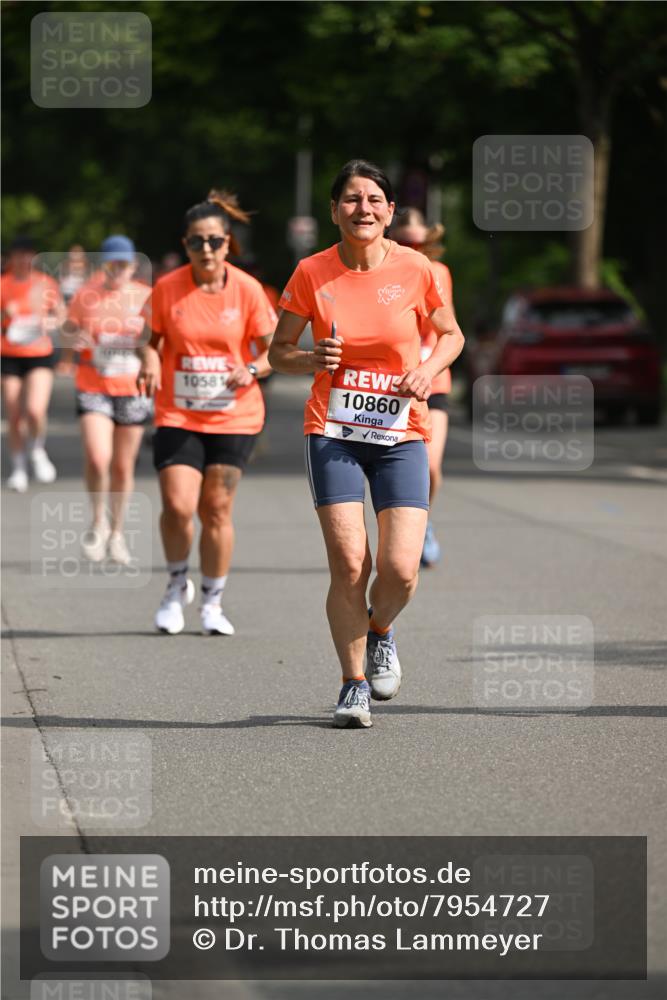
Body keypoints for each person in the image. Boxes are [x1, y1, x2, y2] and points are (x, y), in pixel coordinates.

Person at [269, 159, 464, 729]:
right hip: (333, 431)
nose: (364, 209)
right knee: (351, 562)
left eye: (375, 200)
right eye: (352, 200)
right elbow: (278, 350)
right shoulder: (311, 271)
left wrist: (427, 369)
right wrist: (308, 358)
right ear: (334, 211)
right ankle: (353, 684)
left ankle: (380, 630)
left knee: (402, 569)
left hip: (400, 431)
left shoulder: (416, 269)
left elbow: (452, 336)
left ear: (390, 212)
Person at [137, 190, 276, 635]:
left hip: (234, 414)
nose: (206, 250)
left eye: (215, 241)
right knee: (178, 506)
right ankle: (177, 585)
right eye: (197, 242)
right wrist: (149, 359)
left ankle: (212, 602)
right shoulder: (168, 288)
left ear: (228, 242)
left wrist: (251, 367)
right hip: (178, 411)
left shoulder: (248, 290)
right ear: (185, 244)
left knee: (215, 508)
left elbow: (278, 351)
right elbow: (149, 338)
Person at [57, 235, 153, 564]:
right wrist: (74, 337)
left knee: (123, 467)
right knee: (99, 458)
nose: (117, 270)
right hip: (93, 384)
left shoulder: (145, 296)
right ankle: (98, 522)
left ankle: (117, 533)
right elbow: (66, 330)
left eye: (123, 265)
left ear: (133, 266)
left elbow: (160, 339)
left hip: (133, 388)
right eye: (111, 264)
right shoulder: (87, 295)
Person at [391, 208, 454, 566]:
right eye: (404, 242)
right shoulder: (383, 272)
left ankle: (423, 523)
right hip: (394, 383)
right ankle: (402, 528)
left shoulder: (440, 272)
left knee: (430, 466)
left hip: (433, 381)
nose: (412, 248)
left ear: (427, 241)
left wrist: (430, 363)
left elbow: (449, 329)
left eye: (417, 242)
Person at [1, 236, 63, 492]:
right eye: (19, 254)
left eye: (28, 254)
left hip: (39, 353)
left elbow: (61, 314)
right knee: (15, 414)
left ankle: (37, 449)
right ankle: (18, 467)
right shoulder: (3, 285)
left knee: (36, 410)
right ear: (12, 257)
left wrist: (47, 322)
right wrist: (5, 314)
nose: (24, 259)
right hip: (9, 353)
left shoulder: (45, 283)